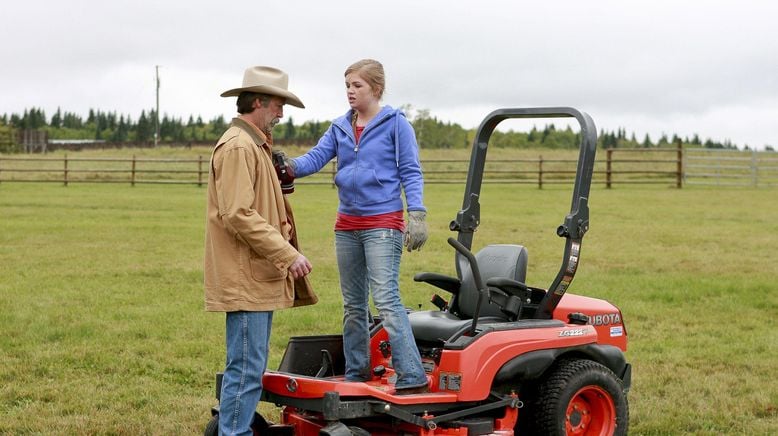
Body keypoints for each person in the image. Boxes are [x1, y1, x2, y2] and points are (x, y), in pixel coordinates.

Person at [289, 59, 429, 394]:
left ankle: (412, 375)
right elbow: (313, 159)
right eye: (348, 86)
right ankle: (356, 374)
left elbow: (410, 170)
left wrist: (418, 214)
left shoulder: (397, 125)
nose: (350, 92)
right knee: (353, 303)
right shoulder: (339, 127)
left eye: (358, 86)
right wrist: (287, 166)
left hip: (383, 222)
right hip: (347, 225)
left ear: (376, 89)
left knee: (386, 298)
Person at [204, 66, 318, 435]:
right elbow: (237, 213)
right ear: (258, 102)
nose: (281, 114)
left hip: (254, 274)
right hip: (247, 277)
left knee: (250, 364)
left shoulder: (254, 145)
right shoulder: (239, 147)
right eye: (278, 105)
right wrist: (288, 254)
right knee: (246, 368)